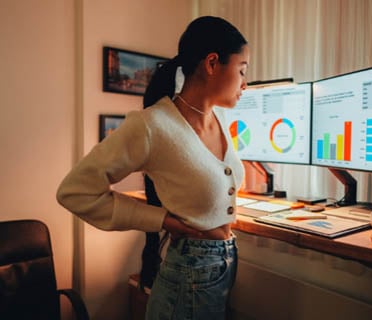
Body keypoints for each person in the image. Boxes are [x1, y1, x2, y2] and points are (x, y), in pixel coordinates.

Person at [56, 16, 249, 319]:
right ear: (212, 63)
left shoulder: (220, 120)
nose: (245, 84)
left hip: (222, 265)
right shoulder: (152, 125)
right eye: (242, 70)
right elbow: (75, 191)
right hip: (187, 275)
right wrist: (163, 220)